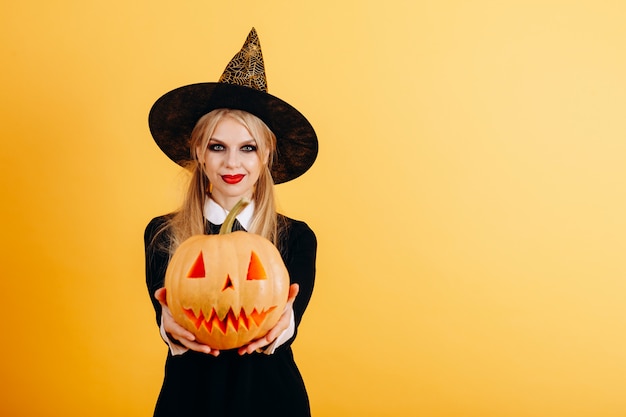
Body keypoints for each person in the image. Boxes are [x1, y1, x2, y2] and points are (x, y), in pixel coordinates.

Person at [144, 28, 318, 417]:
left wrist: (284, 322)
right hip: (190, 401)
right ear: (199, 153)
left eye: (248, 148)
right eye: (217, 147)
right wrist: (169, 327)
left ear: (266, 154)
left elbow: (288, 320)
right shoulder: (163, 233)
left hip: (273, 402)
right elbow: (168, 315)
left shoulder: (296, 237)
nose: (232, 163)